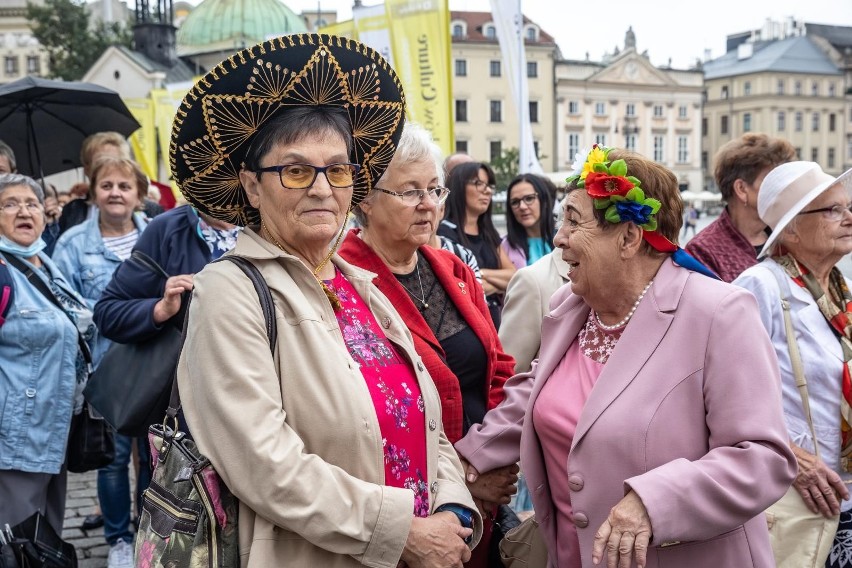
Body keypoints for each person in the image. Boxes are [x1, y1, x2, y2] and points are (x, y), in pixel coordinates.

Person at [170, 34, 481, 566]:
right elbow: (264, 462)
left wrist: (454, 510)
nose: (322, 188)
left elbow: (430, 426)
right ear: (251, 185)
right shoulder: (229, 292)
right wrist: (401, 532)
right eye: (296, 170)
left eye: (337, 170)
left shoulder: (358, 284)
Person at [455, 146, 797, 567]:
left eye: (574, 221)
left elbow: (763, 458)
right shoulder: (572, 306)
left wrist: (654, 501)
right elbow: (530, 397)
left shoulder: (719, 314)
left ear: (629, 237)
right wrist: (465, 466)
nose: (559, 237)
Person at [338, 123, 517, 567]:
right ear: (365, 198)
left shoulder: (452, 267)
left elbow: (498, 367)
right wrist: (462, 482)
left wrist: (488, 458)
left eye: (435, 190)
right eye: (409, 191)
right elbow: (363, 413)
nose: (429, 204)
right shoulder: (340, 281)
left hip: (483, 496)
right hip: (410, 513)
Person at [734, 161, 852, 567]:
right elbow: (722, 391)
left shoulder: (838, 288)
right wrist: (791, 457)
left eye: (848, 207)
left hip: (841, 492)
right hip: (792, 497)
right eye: (833, 210)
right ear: (792, 229)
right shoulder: (761, 285)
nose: (849, 218)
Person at [52, 155, 150, 568]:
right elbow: (61, 305)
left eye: (125, 187)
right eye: (107, 185)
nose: (116, 193)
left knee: (154, 456)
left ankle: (149, 531)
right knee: (112, 458)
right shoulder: (74, 243)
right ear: (93, 193)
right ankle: (118, 540)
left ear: (139, 196)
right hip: (104, 369)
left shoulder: (155, 236)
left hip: (154, 368)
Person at [0, 173, 96, 534]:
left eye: (32, 203)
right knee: (17, 542)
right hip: (14, 436)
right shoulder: (2, 271)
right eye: (10, 203)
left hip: (55, 427)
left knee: (46, 538)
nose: (23, 210)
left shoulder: (46, 264)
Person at [685, 133, 796, 282]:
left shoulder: (787, 239)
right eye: (773, 180)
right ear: (742, 189)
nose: (784, 188)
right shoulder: (702, 251)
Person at [439, 162, 516, 329]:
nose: (487, 190)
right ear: (459, 187)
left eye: (488, 185)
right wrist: (495, 283)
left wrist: (478, 273)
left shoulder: (488, 233)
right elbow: (457, 288)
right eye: (478, 183)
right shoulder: (443, 233)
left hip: (496, 323)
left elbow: (514, 276)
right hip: (465, 325)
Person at [58, 132, 163, 235]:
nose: (108, 167)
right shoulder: (73, 210)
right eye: (100, 162)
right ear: (86, 168)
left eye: (115, 161)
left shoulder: (151, 211)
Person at [501, 174, 556, 269]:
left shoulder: (567, 239)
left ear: (544, 200)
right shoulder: (502, 247)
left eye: (529, 198)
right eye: (515, 202)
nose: (522, 206)